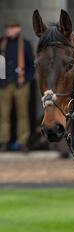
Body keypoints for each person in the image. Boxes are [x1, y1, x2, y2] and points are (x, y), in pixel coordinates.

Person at [0, 20, 35, 152]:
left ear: (18, 29)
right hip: (4, 84)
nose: (8, 30)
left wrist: (27, 80)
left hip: (21, 84)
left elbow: (31, 65)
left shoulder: (25, 44)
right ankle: (3, 141)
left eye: (11, 28)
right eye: (7, 28)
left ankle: (23, 142)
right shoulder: (1, 43)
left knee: (23, 114)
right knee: (3, 115)